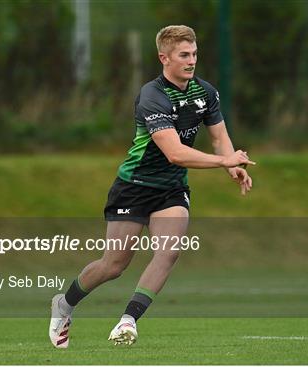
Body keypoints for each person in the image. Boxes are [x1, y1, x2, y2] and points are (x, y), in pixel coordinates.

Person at [49, 25, 255, 348]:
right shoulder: (152, 96)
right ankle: (64, 303)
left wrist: (232, 163)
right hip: (134, 186)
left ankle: (127, 320)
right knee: (114, 265)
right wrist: (222, 162)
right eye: (184, 55)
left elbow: (218, 136)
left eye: (195, 54)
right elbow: (174, 153)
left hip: (171, 190)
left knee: (169, 251)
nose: (192, 61)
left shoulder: (206, 93)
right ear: (164, 57)